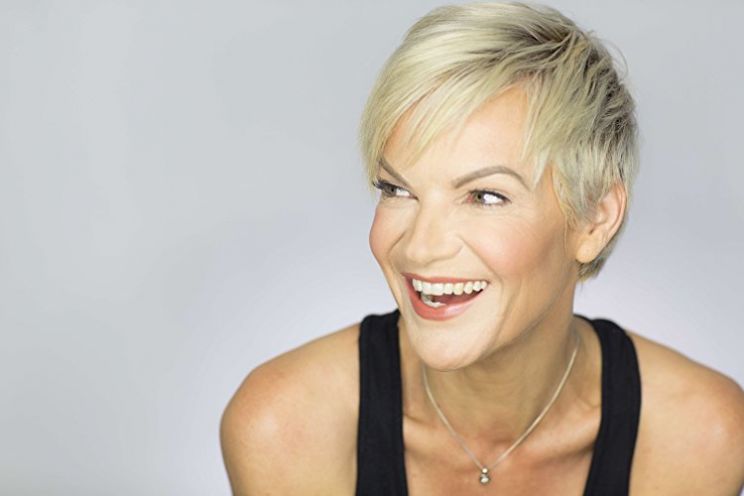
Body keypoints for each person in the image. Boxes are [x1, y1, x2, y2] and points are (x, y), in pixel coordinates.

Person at [220, 2, 744, 494]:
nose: (420, 248)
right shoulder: (286, 427)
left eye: (485, 196)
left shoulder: (699, 436)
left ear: (594, 219)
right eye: (397, 190)